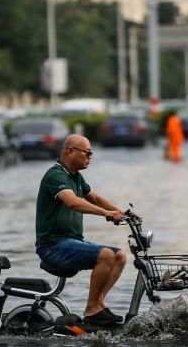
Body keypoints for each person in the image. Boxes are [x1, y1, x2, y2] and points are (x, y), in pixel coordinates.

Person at [35, 134, 129, 326]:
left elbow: (92, 197)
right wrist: (106, 214)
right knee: (105, 255)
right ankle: (92, 308)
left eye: (91, 154)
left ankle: (99, 304)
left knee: (119, 255)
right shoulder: (56, 175)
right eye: (87, 153)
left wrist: (120, 211)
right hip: (52, 245)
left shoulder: (76, 177)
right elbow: (73, 202)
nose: (90, 157)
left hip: (71, 242)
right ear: (70, 151)